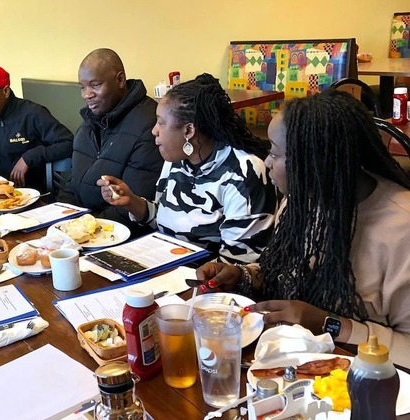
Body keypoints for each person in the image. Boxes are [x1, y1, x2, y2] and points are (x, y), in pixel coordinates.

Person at [196, 90, 410, 368]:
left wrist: (329, 324)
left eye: (274, 152)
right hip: (293, 361)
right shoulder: (302, 200)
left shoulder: (401, 229)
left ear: (315, 160)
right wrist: (242, 277)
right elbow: (286, 274)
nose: (268, 162)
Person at [97, 74, 276, 262]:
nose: (154, 130)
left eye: (161, 122)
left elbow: (237, 263)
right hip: (166, 262)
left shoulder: (243, 172)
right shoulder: (177, 159)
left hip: (206, 280)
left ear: (189, 131)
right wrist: (131, 201)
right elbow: (166, 220)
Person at [59, 48, 164, 227]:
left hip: (118, 235)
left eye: (95, 85)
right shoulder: (88, 123)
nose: (86, 95)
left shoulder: (148, 125)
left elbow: (130, 206)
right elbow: (72, 185)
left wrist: (83, 229)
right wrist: (62, 218)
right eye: (83, 87)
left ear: (120, 80)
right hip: (82, 229)